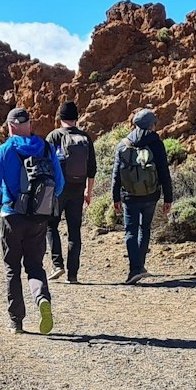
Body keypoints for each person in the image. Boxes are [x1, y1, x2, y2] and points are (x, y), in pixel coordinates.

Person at [0, 106, 64, 334]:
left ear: (10, 126)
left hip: (11, 217)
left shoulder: (3, 151)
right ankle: (41, 298)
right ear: (29, 124)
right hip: (39, 218)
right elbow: (59, 185)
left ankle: (16, 321)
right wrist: (40, 204)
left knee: (12, 268)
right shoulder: (47, 148)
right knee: (35, 266)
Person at [110, 107, 174, 284]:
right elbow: (164, 172)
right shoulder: (156, 144)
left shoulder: (123, 144)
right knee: (144, 228)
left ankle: (135, 268)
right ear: (151, 125)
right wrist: (168, 197)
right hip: (151, 195)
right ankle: (140, 266)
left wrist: (115, 196)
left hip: (129, 196)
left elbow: (116, 173)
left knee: (130, 230)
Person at [44, 101, 96, 284]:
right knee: (74, 232)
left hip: (57, 191)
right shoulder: (85, 138)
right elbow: (92, 168)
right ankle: (72, 275)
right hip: (78, 189)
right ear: (76, 118)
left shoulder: (54, 136)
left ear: (60, 117)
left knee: (51, 226)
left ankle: (57, 264)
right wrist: (88, 192)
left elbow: (45, 165)